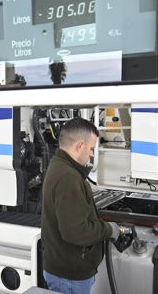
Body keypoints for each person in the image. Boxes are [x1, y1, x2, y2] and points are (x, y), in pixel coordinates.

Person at [41, 117, 120, 294]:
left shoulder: (59, 167)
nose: (92, 154)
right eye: (91, 148)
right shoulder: (68, 178)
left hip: (66, 271)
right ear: (79, 145)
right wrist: (109, 230)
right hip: (69, 276)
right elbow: (76, 232)